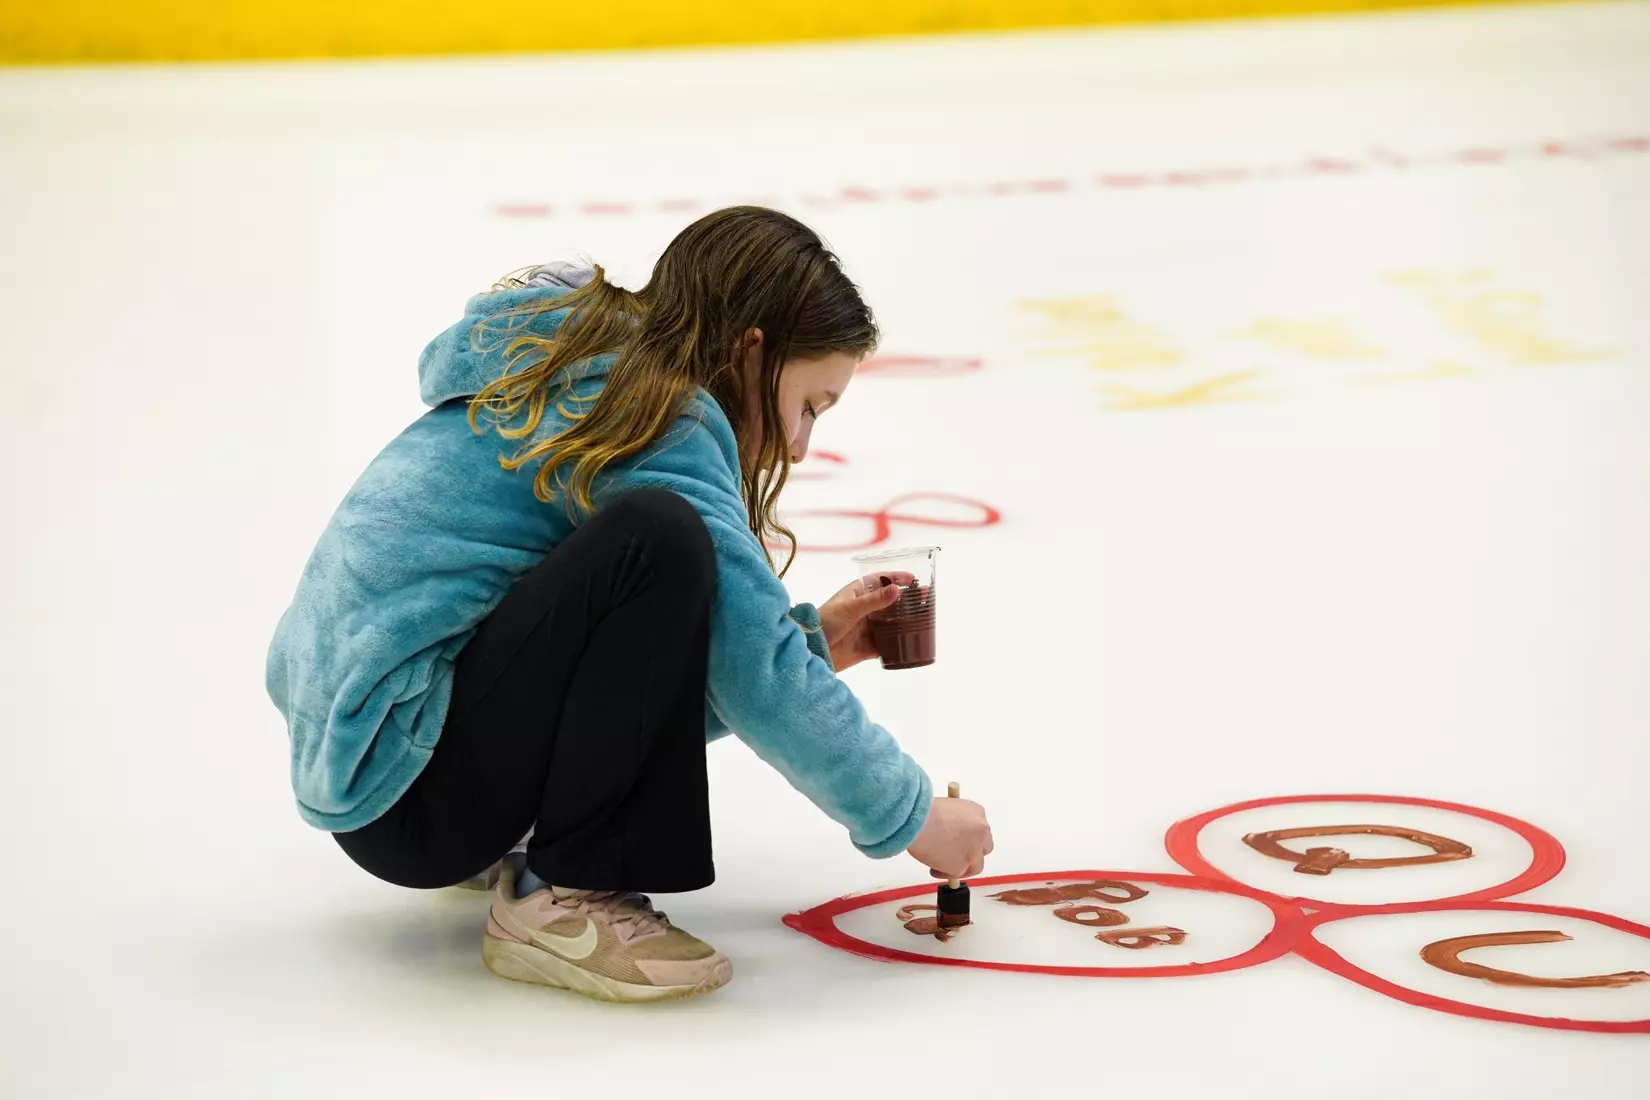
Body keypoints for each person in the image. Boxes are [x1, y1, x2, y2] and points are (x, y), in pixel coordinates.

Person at [266, 206, 993, 1004]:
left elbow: (630, 681)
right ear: (751, 347)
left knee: (658, 554)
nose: (797, 446)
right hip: (410, 792)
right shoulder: (659, 418)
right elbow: (754, 673)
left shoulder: (596, 376)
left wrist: (813, 643)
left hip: (384, 766)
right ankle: (565, 895)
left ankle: (545, 868)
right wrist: (914, 814)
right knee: (660, 539)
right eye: (810, 404)